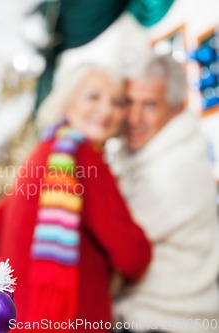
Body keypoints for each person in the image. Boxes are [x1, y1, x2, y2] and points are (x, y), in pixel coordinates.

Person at [0, 64, 152, 332]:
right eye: (93, 96)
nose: (106, 110)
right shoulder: (82, 157)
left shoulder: (44, 151)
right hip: (67, 320)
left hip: (15, 319)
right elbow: (133, 257)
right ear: (67, 99)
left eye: (117, 102)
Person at [113, 55, 219, 333]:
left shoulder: (176, 168)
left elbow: (121, 250)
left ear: (176, 109)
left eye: (149, 105)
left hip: (170, 321)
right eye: (130, 102)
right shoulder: (139, 153)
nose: (135, 117)